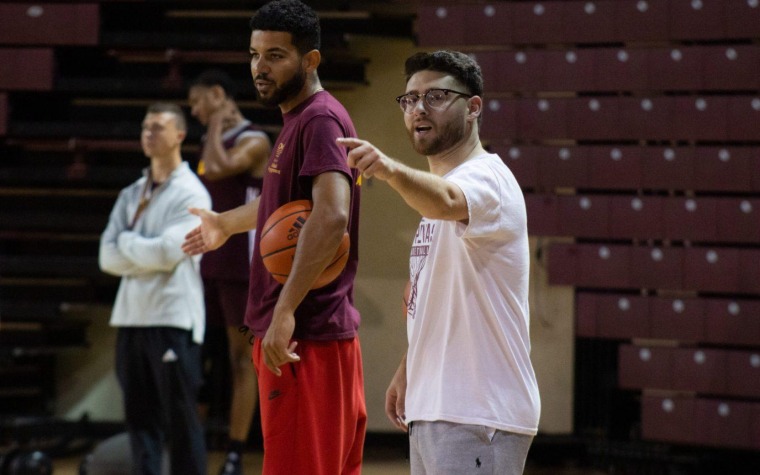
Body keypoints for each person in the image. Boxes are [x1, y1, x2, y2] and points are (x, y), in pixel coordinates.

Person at [181, 1, 366, 474]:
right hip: (313, 335)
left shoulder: (319, 120)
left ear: (311, 60)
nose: (260, 68)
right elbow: (280, 209)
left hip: (305, 336)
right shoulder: (298, 119)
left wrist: (284, 310)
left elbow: (330, 217)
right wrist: (225, 224)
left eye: (276, 56)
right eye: (254, 54)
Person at [338, 50, 541, 474]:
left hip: (480, 411)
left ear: (473, 108)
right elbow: (439, 298)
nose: (418, 109)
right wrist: (411, 363)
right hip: (440, 407)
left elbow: (448, 200)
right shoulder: (440, 192)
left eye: (435, 97)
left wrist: (390, 169)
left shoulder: (486, 178)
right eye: (409, 99)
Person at [99, 102, 211, 475]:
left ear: (179, 134)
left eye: (158, 127)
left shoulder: (192, 193)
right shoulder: (132, 191)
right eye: (145, 127)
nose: (148, 133)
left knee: (181, 421)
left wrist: (127, 243)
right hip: (131, 318)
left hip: (172, 319)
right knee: (140, 420)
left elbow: (167, 252)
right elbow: (105, 257)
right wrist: (138, 249)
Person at [188, 68, 271, 475]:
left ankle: (236, 452)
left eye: (199, 101)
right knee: (201, 356)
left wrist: (218, 122)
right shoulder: (214, 141)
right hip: (210, 261)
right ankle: (192, 448)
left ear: (218, 94)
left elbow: (215, 169)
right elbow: (208, 170)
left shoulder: (254, 139)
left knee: (243, 359)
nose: (195, 111)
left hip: (242, 263)